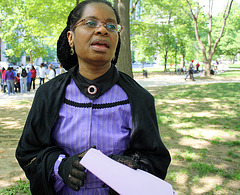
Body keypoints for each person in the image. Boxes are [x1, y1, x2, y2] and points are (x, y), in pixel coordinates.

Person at [15, 0, 171, 194]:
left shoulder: (139, 97)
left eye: (111, 26)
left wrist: (133, 167)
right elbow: (28, 153)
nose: (102, 30)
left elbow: (156, 159)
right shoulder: (48, 94)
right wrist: (60, 165)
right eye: (91, 23)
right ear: (70, 37)